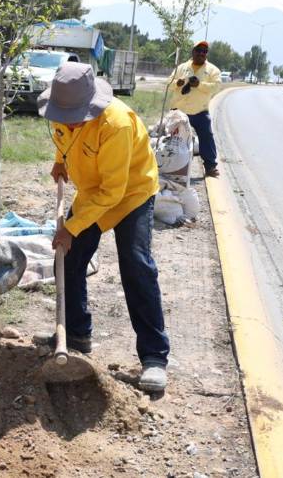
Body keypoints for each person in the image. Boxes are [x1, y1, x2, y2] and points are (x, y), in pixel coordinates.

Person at [37, 62, 170, 392]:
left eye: (73, 115)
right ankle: (75, 333)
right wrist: (59, 160)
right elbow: (64, 138)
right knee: (68, 258)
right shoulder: (62, 112)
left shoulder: (117, 125)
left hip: (131, 193)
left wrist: (72, 227)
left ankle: (154, 357)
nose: (65, 120)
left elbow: (114, 191)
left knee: (136, 264)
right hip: (93, 192)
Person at [169, 40, 222, 177]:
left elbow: (216, 86)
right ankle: (168, 165)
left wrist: (199, 84)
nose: (201, 53)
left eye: (204, 51)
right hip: (179, 111)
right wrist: (177, 83)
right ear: (193, 51)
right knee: (172, 138)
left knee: (207, 136)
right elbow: (169, 83)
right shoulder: (182, 68)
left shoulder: (212, 70)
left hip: (200, 111)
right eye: (198, 50)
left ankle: (210, 167)